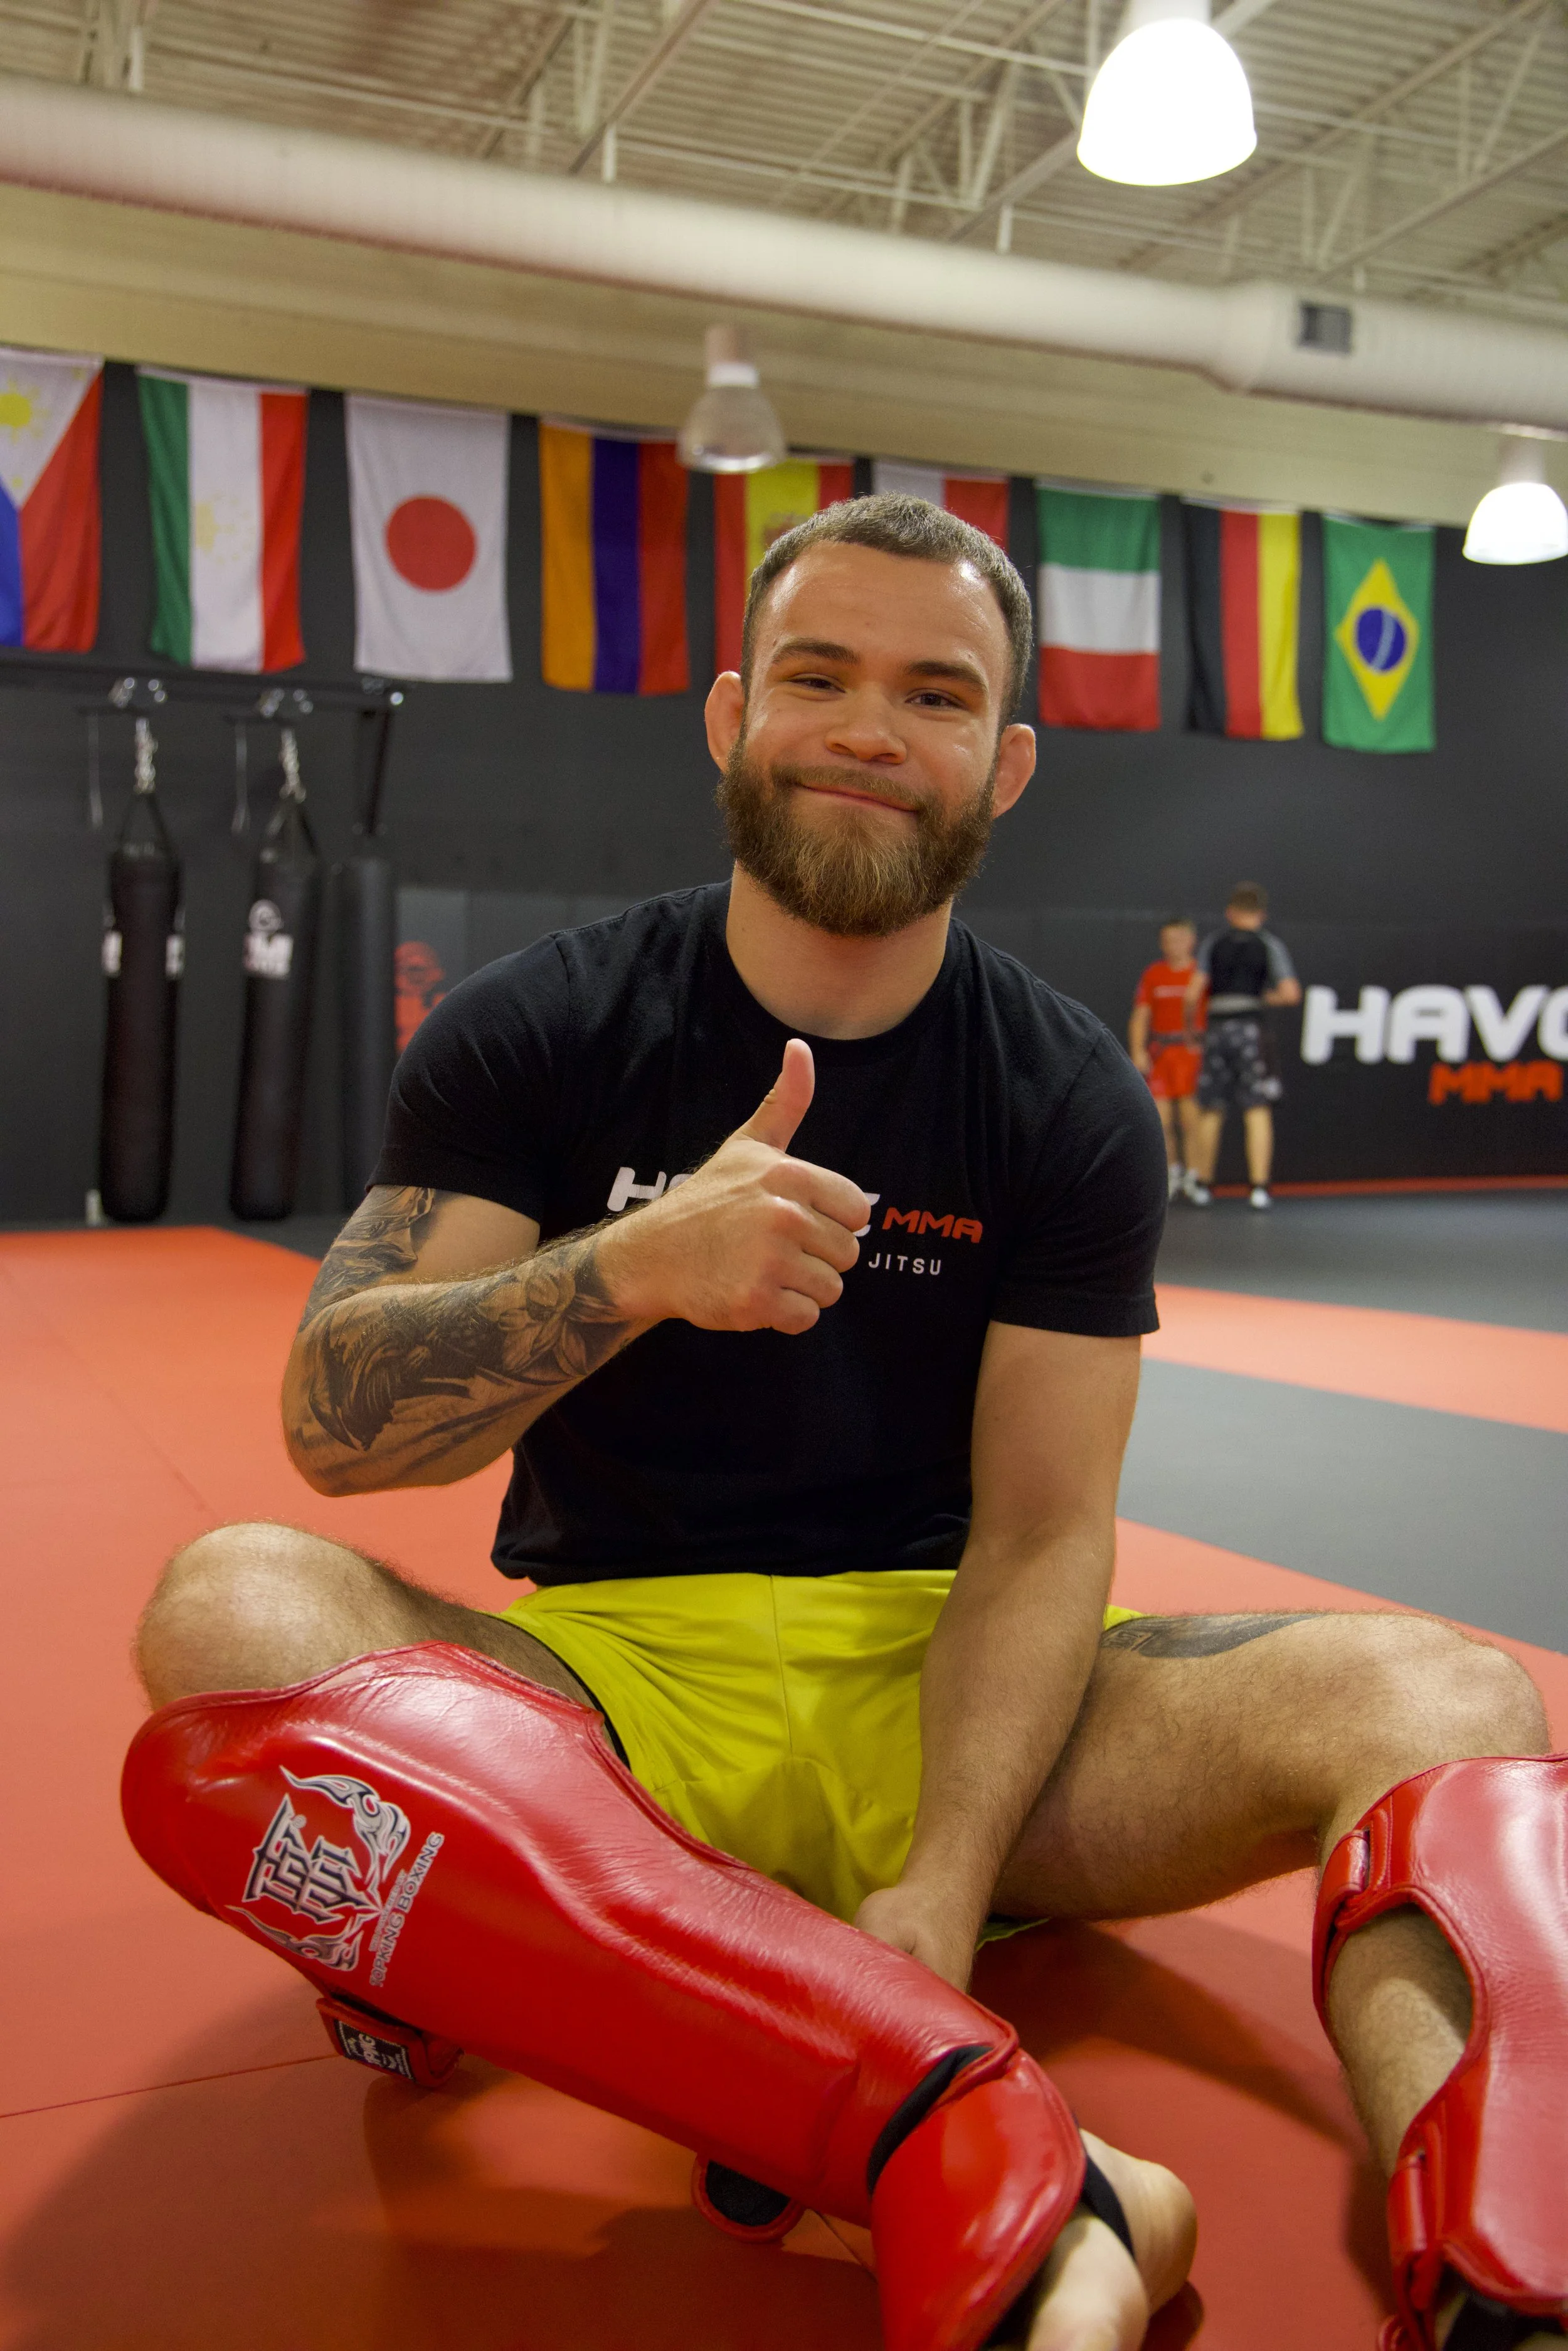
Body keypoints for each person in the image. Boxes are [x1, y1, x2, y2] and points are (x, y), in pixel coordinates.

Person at [132, 497, 1560, 2351]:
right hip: (609, 1716)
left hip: (945, 1693)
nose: (871, 729)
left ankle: (1515, 2283)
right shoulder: (539, 1026)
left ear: (1006, 760)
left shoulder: (1061, 1095)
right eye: (818, 675)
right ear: (730, 716)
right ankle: (984, 2147)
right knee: (232, 1601)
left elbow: (1044, 1534)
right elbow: (337, 1430)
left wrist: (945, 1887)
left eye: (933, 692)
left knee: (1453, 1701)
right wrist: (632, 1266)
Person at [1182, 883, 1301, 1210]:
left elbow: (1193, 995)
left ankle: (1204, 1185)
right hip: (1252, 1030)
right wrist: (1262, 998)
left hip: (1217, 1029)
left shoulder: (1214, 944)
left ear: (1230, 913)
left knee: (1211, 1108)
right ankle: (1259, 1188)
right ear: (1261, 915)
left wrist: (1191, 1029)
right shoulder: (1268, 944)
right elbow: (1291, 993)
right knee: (1257, 1107)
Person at [1127, 918, 1204, 1202]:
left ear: (1190, 941)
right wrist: (1138, 1051)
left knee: (1191, 1121)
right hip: (1162, 1055)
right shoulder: (1154, 974)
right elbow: (1141, 1015)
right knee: (1162, 1121)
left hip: (1192, 1055)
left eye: (1179, 939)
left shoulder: (1200, 974)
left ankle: (1196, 1177)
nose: (1173, 946)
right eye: (1168, 940)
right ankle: (1171, 1174)